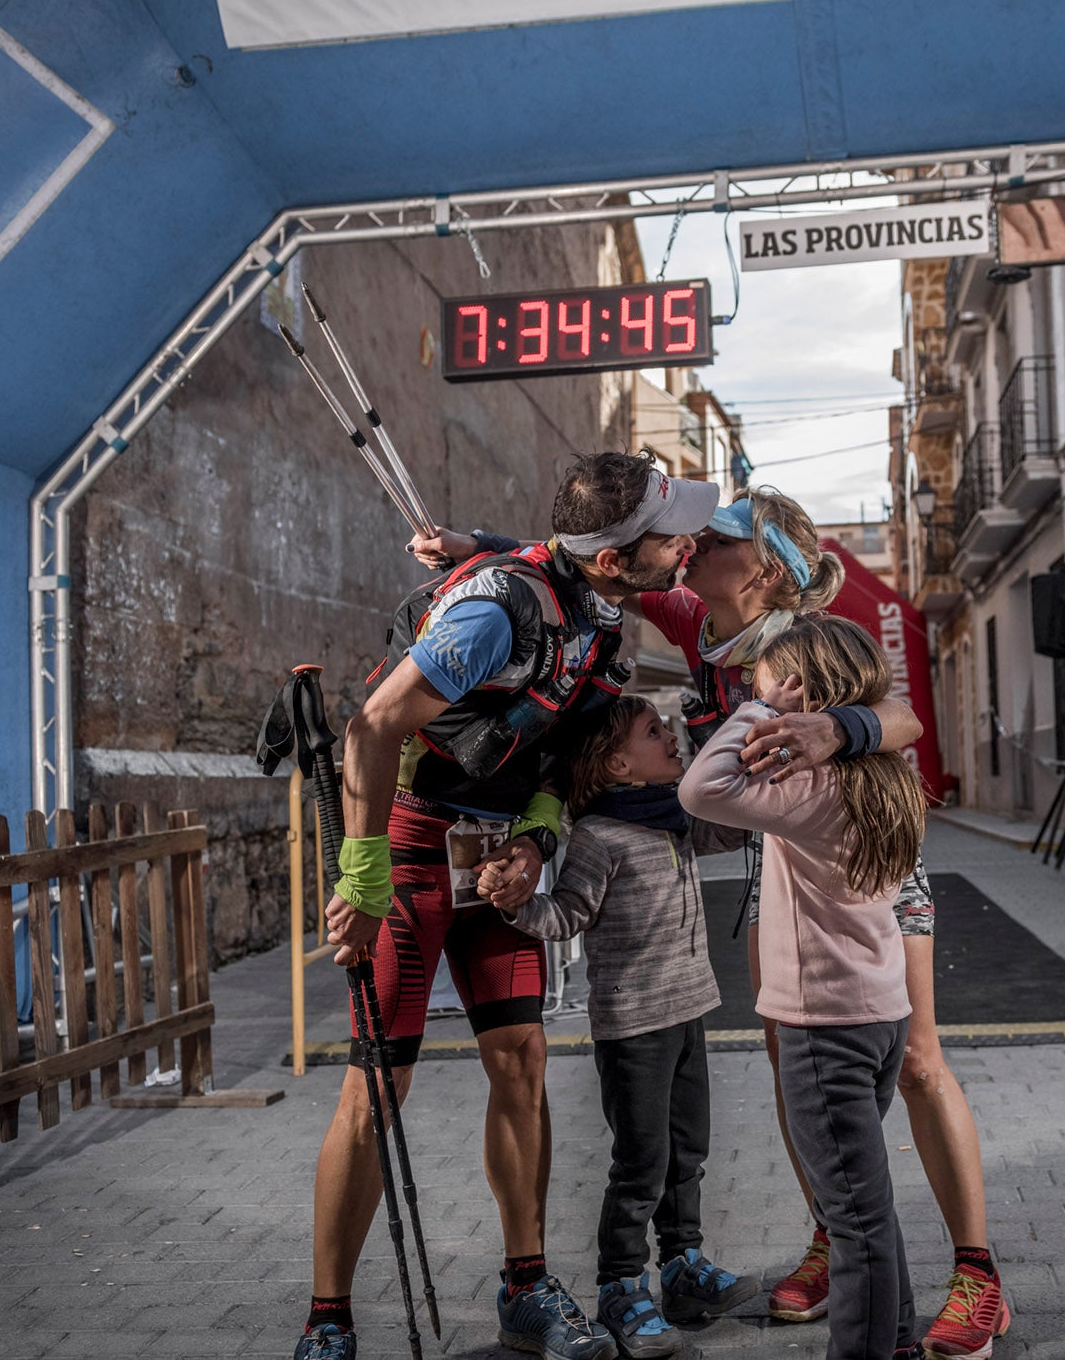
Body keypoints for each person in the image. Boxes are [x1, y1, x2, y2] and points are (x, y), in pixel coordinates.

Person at [415, 488, 1010, 1358]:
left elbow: (904, 719)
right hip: (787, 850)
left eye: (720, 532)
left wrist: (836, 727)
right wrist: (477, 542)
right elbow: (594, 563)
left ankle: (976, 1274)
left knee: (917, 1057)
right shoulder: (696, 614)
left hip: (871, 857)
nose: (693, 541)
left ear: (765, 566)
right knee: (790, 1054)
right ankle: (835, 1238)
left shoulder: (804, 643)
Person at [299, 452, 717, 1360]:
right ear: (612, 556)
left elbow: (561, 763)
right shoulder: (497, 610)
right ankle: (327, 1317)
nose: (687, 543)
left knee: (521, 1056)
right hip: (407, 836)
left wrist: (533, 839)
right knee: (378, 1086)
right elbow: (372, 727)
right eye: (671, 531)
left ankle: (525, 1288)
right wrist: (361, 879)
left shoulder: (603, 617)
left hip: (494, 848)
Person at [678, 615, 930, 1360]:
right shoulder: (889, 776)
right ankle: (903, 1341)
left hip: (824, 1030)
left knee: (850, 1220)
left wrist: (758, 713)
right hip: (880, 1014)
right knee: (868, 1209)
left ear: (804, 689)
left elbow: (699, 788)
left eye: (770, 676)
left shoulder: (806, 784)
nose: (754, 684)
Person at [477, 695, 758, 1358]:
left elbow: (738, 823)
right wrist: (520, 908)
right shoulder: (599, 836)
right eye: (655, 732)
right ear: (618, 763)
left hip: (689, 1009)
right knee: (642, 1162)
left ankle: (684, 1267)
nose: (670, 740)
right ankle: (621, 1285)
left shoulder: (679, 820)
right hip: (634, 1025)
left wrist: (702, 730)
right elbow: (569, 914)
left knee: (688, 1148)